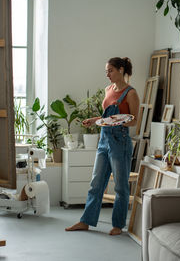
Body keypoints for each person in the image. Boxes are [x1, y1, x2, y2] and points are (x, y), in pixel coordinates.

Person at [65, 57, 140, 235]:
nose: (107, 74)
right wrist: (95, 120)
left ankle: (118, 224)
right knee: (96, 184)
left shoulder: (131, 93)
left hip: (120, 142)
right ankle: (86, 221)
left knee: (120, 187)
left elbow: (135, 121)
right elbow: (105, 116)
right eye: (106, 71)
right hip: (104, 140)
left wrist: (119, 121)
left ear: (121, 70)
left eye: (110, 71)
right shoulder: (108, 90)